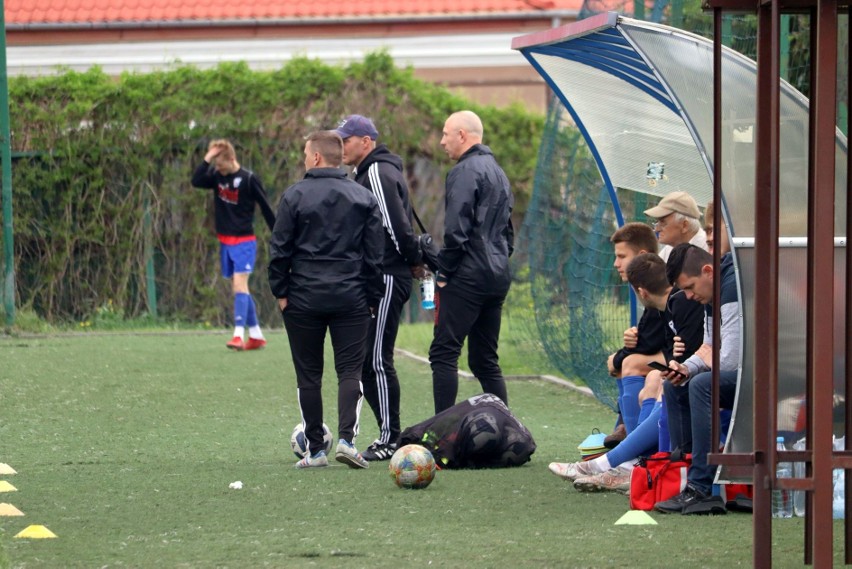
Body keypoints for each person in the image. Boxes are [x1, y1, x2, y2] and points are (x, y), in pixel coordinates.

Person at [268, 130, 385, 469]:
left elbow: (280, 250)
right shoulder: (363, 197)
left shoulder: (294, 196)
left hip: (303, 299)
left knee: (309, 375)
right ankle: (348, 441)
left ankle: (316, 450)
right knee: (350, 370)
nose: (305, 159)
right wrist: (372, 296)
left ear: (316, 157)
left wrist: (281, 292)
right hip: (352, 298)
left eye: (306, 154)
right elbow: (374, 254)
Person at [549, 252, 704, 492]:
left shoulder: (683, 300)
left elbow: (704, 350)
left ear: (641, 291)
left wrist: (623, 357)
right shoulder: (675, 302)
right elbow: (659, 345)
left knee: (661, 384)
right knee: (650, 377)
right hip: (689, 370)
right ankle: (632, 464)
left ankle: (619, 463)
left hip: (700, 377)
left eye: (620, 255)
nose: (616, 263)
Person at [335, 114, 425, 461]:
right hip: (383, 273)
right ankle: (389, 434)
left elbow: (396, 227)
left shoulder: (375, 171)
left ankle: (391, 439)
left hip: (388, 273)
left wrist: (412, 260)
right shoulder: (370, 171)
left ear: (366, 141)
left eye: (347, 139)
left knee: (376, 357)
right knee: (368, 357)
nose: (342, 146)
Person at [428, 110, 514, 414]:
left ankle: (439, 435)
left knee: (443, 353)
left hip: (467, 275)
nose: (441, 142)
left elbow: (456, 231)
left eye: (445, 134)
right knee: (484, 359)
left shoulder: (465, 171)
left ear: (462, 135)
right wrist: (500, 262)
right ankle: (509, 431)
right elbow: (508, 231)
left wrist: (444, 273)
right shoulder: (498, 171)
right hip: (497, 276)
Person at [654, 240, 739, 515]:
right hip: (748, 372)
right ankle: (687, 476)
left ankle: (702, 489)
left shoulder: (731, 285)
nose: (688, 297)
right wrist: (685, 369)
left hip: (777, 374)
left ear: (707, 271)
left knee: (703, 385)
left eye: (689, 287)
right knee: (676, 386)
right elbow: (709, 347)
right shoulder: (711, 291)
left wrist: (701, 362)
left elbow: (730, 360)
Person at [191, 139, 276, 350]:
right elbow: (196, 180)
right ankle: (256, 335)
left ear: (231, 159)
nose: (217, 169)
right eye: (215, 165)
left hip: (245, 241)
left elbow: (266, 207)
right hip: (225, 241)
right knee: (240, 288)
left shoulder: (248, 179)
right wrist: (208, 157)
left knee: (239, 285)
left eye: (220, 164)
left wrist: (278, 234)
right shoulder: (217, 177)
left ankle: (238, 335)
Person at [604, 223, 666, 448]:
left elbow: (650, 342)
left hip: (687, 360)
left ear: (642, 256)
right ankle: (629, 434)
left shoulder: (660, 283)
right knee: (629, 363)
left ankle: (631, 446)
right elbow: (649, 336)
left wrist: (618, 358)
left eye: (622, 256)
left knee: (629, 364)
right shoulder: (646, 284)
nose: (616, 264)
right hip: (675, 355)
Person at [644, 191, 708, 261]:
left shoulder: (708, 249)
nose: (657, 229)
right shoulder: (669, 249)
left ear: (684, 225)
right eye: (657, 222)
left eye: (663, 222)